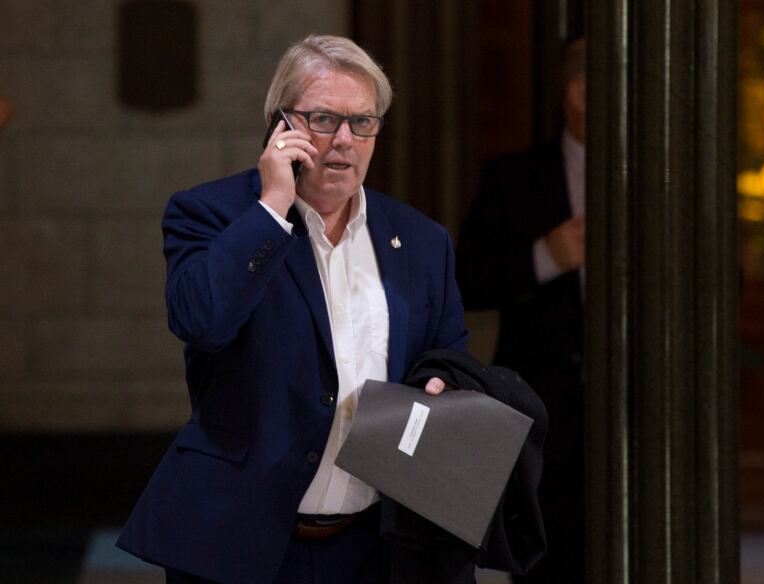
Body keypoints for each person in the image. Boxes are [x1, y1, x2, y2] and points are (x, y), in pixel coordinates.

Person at [117, 34, 470, 584]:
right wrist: (273, 205)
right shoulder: (211, 214)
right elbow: (201, 319)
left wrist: (439, 388)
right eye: (324, 119)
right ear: (280, 126)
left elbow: (450, 361)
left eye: (363, 122)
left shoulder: (420, 241)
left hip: (375, 545)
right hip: (242, 539)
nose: (345, 141)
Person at [456, 38, 586, 584]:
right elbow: (469, 280)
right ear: (564, 84)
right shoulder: (516, 177)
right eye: (583, 69)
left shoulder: (672, 176)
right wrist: (545, 258)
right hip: (543, 410)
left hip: (646, 414)